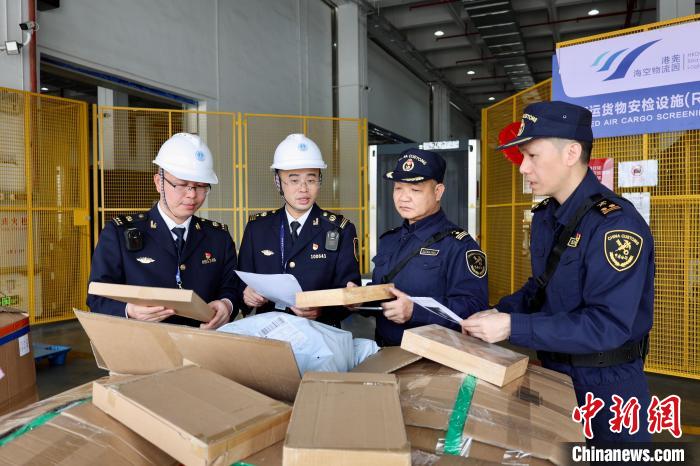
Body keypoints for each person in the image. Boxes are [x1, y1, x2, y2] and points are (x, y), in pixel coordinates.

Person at [461, 101, 654, 443]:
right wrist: (501, 311)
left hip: (607, 388)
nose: (522, 168)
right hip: (554, 375)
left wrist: (512, 326)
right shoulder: (547, 217)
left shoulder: (615, 226)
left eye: (532, 156)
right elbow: (542, 286)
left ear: (571, 153)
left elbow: (607, 325)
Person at [87, 133, 238, 329]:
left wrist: (227, 304)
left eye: (201, 186)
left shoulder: (218, 237)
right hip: (143, 345)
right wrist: (129, 311)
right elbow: (96, 296)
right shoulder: (118, 233)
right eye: (182, 184)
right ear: (159, 182)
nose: (192, 195)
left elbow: (231, 286)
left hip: (203, 345)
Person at [237, 133, 361, 327]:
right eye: (294, 180)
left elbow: (351, 291)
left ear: (320, 180)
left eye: (311, 180)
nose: (303, 189)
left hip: (322, 333)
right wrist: (246, 294)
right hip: (269, 332)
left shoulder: (340, 229)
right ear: (278, 182)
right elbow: (241, 281)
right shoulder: (257, 228)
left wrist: (323, 310)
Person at [371, 148, 488, 346]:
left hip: (432, 360)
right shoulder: (389, 240)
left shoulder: (458, 245)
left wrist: (415, 311)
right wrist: (358, 299)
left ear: (438, 192)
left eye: (415, 190)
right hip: (384, 351)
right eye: (398, 188)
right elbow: (384, 291)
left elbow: (474, 309)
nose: (403, 198)